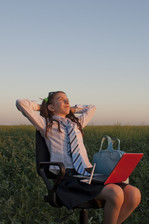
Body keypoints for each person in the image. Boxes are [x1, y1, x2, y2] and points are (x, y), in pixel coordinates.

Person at [16, 91, 141, 224]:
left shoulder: (76, 123)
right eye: (61, 99)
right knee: (115, 192)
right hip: (68, 178)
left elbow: (91, 108)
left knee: (134, 194)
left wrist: (73, 109)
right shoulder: (46, 124)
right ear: (51, 107)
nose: (66, 101)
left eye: (67, 99)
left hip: (88, 174)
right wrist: (43, 106)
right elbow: (21, 103)